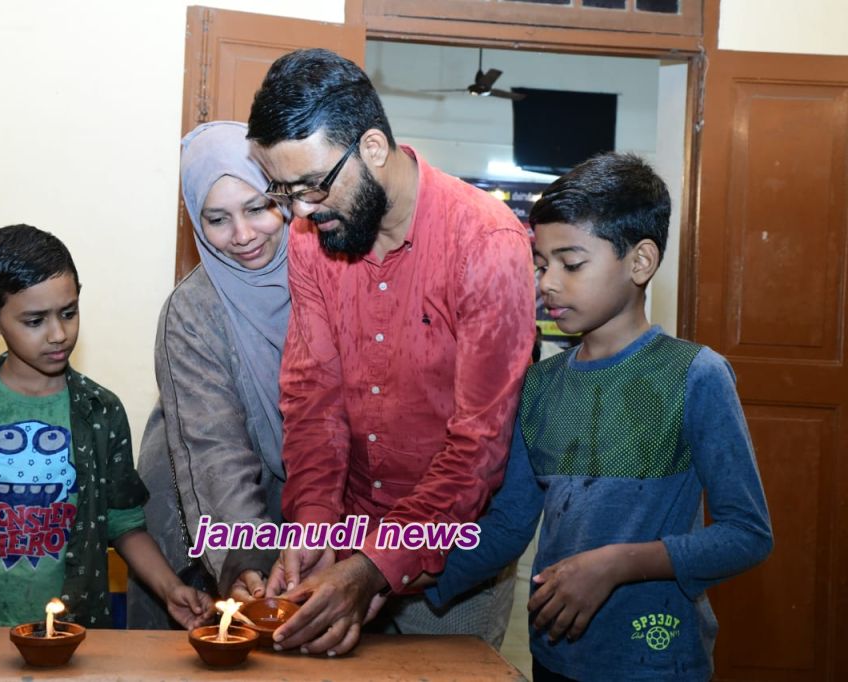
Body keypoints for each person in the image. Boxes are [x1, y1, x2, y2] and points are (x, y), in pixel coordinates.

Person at [426, 153, 773, 681]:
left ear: (640, 262)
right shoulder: (539, 385)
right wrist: (387, 575)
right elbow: (507, 527)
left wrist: (616, 565)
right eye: (541, 264)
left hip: (655, 661)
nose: (547, 283)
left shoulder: (694, 375)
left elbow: (746, 535)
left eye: (571, 264)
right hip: (555, 655)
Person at [246, 48, 536, 655]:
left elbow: (478, 444)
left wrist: (377, 566)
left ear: (373, 148)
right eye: (283, 191)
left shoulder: (486, 242)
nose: (299, 211)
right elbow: (312, 399)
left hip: (453, 562)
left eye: (312, 186)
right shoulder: (310, 240)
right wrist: (312, 527)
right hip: (344, 546)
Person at [0, 225, 214, 628]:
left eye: (68, 313)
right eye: (35, 321)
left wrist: (171, 589)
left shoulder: (99, 412)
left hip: (72, 635)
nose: (59, 334)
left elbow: (124, 524)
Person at [128, 121, 291, 628]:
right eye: (217, 219)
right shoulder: (192, 311)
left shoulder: (330, 277)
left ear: (285, 198)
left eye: (258, 208)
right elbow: (213, 448)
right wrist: (246, 555)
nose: (242, 236)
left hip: (306, 505)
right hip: (202, 504)